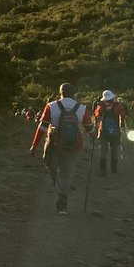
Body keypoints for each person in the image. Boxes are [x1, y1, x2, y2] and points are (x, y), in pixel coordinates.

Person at [29, 82, 93, 215]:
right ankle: (62, 205)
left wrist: (34, 145)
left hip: (54, 144)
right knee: (66, 174)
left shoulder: (51, 106)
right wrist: (95, 135)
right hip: (74, 145)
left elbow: (42, 128)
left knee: (51, 166)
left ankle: (57, 186)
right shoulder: (82, 108)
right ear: (73, 93)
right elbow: (90, 129)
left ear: (60, 92)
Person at [94, 89, 128, 175]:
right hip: (115, 131)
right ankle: (114, 169)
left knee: (103, 150)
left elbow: (97, 118)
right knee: (114, 150)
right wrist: (123, 127)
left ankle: (103, 170)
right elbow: (123, 116)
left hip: (103, 131)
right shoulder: (118, 105)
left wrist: (96, 128)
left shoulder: (101, 106)